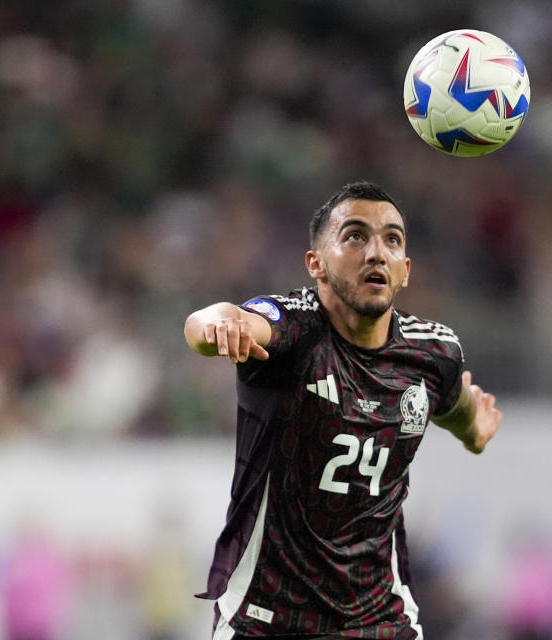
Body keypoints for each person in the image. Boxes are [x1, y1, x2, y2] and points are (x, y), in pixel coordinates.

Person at [183, 180, 503, 639]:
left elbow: (459, 411)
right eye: (355, 236)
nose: (376, 252)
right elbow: (211, 320)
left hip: (379, 620)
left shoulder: (434, 353)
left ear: (405, 269)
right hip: (268, 620)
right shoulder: (293, 331)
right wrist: (216, 325)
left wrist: (476, 428)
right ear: (316, 263)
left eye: (392, 240)